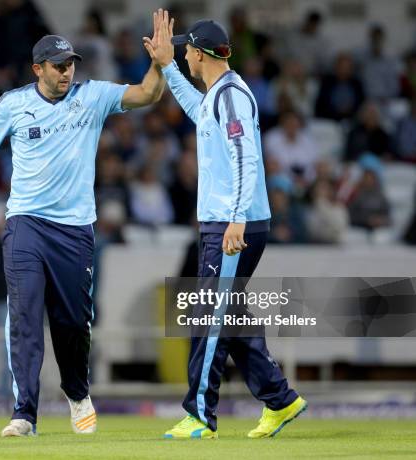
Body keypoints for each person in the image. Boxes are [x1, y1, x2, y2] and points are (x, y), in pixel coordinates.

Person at [0, 11, 167, 437]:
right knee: (24, 316)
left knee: (73, 322)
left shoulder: (92, 95)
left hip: (75, 229)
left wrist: (160, 63)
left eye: (70, 64)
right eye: (58, 66)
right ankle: (24, 413)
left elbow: (148, 95)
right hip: (26, 225)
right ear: (38, 69)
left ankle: (77, 393)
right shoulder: (13, 104)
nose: (67, 72)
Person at [146, 14, 307, 439]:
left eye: (185, 51)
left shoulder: (232, 95)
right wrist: (165, 67)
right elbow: (197, 112)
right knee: (227, 314)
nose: (183, 54)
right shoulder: (220, 94)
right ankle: (281, 399)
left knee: (209, 318)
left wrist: (236, 217)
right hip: (227, 221)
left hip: (234, 224)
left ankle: (200, 415)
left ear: (199, 54)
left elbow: (246, 159)